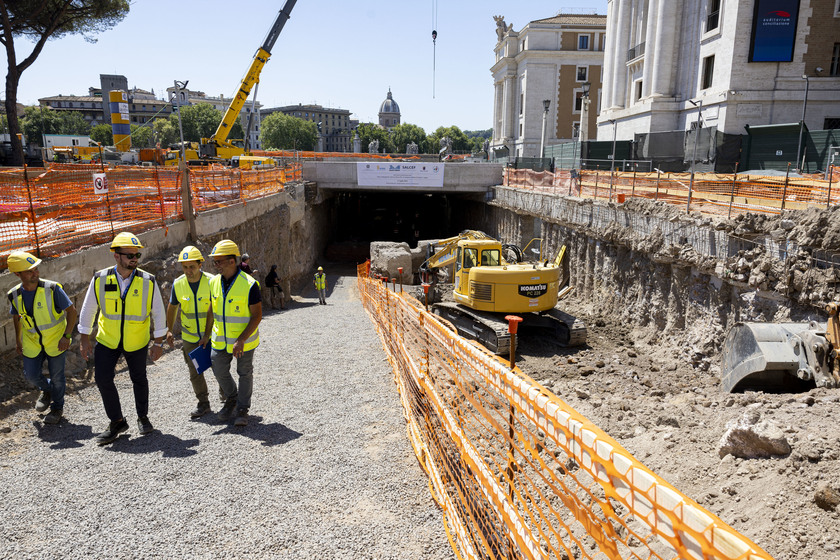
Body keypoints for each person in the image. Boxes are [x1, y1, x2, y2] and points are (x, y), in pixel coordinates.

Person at [79, 232, 167, 445]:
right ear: (116, 256)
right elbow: (89, 308)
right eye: (129, 255)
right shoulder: (100, 278)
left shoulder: (148, 280)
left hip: (136, 341)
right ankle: (117, 421)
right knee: (102, 378)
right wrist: (84, 338)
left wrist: (158, 342)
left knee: (139, 379)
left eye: (136, 254)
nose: (134, 258)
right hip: (107, 340)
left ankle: (143, 417)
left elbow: (158, 312)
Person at [6, 251, 77, 425]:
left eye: (36, 269)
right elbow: (16, 316)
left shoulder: (52, 289)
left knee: (58, 377)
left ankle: (57, 408)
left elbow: (72, 312)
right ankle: (46, 390)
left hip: (56, 340)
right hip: (32, 342)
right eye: (30, 271)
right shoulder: (14, 294)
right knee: (31, 375)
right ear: (18, 274)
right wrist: (18, 339)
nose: (35, 273)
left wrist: (66, 336)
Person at [208, 240, 262, 427]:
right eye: (214, 262)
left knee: (244, 373)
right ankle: (232, 397)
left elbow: (256, 316)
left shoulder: (250, 285)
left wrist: (241, 340)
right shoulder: (213, 282)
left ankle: (242, 408)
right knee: (218, 368)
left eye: (218, 262)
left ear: (232, 261)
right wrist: (206, 335)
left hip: (244, 342)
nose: (215, 266)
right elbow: (211, 310)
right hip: (220, 341)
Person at [165, 245, 215, 419]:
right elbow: (172, 307)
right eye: (185, 267)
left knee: (219, 367)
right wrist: (169, 330)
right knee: (195, 371)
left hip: (213, 335)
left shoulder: (212, 281)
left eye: (192, 267)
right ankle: (203, 403)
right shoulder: (178, 284)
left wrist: (208, 334)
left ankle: (228, 399)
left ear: (200, 264)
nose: (188, 271)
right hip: (190, 336)